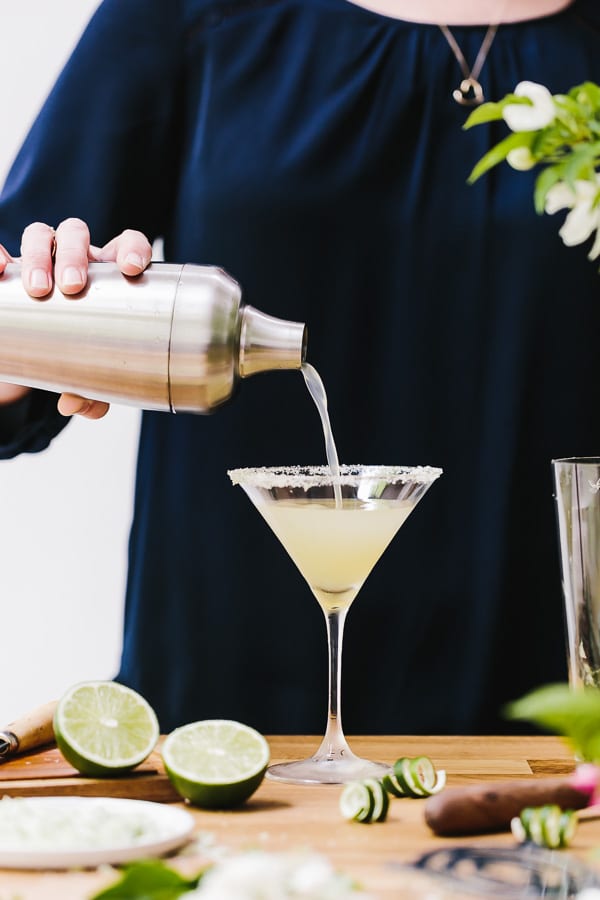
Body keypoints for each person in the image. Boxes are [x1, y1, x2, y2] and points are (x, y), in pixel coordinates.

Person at [0, 0, 598, 735]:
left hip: (555, 709)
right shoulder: (189, 13)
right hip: (232, 723)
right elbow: (13, 353)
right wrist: (38, 312)